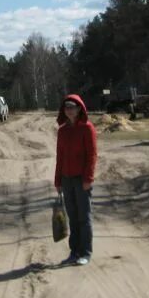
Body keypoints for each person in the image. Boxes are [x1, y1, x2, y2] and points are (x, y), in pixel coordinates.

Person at [54, 94, 97, 266]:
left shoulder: (87, 128)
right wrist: (58, 181)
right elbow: (60, 157)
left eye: (72, 106)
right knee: (72, 216)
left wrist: (88, 178)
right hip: (66, 179)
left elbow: (92, 156)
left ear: (79, 109)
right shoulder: (62, 130)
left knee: (84, 217)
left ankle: (86, 252)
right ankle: (74, 252)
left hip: (81, 179)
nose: (69, 110)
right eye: (66, 107)